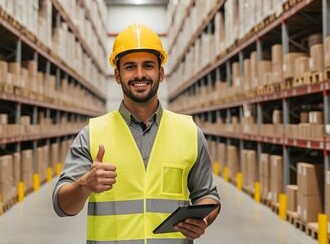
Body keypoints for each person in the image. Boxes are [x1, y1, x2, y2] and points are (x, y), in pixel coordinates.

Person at [52, 24, 220, 243]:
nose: (139, 74)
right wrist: (84, 184)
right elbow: (62, 206)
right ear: (117, 75)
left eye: (148, 66)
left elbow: (208, 195)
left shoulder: (189, 132)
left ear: (160, 73)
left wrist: (202, 221)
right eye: (130, 67)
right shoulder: (92, 134)